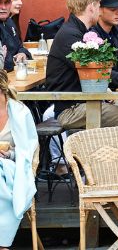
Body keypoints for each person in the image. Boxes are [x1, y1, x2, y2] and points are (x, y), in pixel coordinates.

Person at [46, 0, 118, 129]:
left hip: (85, 101)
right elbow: (99, 74)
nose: (99, 11)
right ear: (92, 7)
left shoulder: (79, 31)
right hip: (71, 109)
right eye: (98, 6)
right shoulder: (70, 35)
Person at [0, 70, 38, 250]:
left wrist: (8, 154)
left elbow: (27, 149)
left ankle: (2, 243)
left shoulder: (19, 112)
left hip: (13, 165)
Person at [0, 0, 30, 70]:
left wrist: (22, 54)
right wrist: (14, 59)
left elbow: (20, 46)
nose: (3, 7)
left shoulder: (9, 22)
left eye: (6, 2)